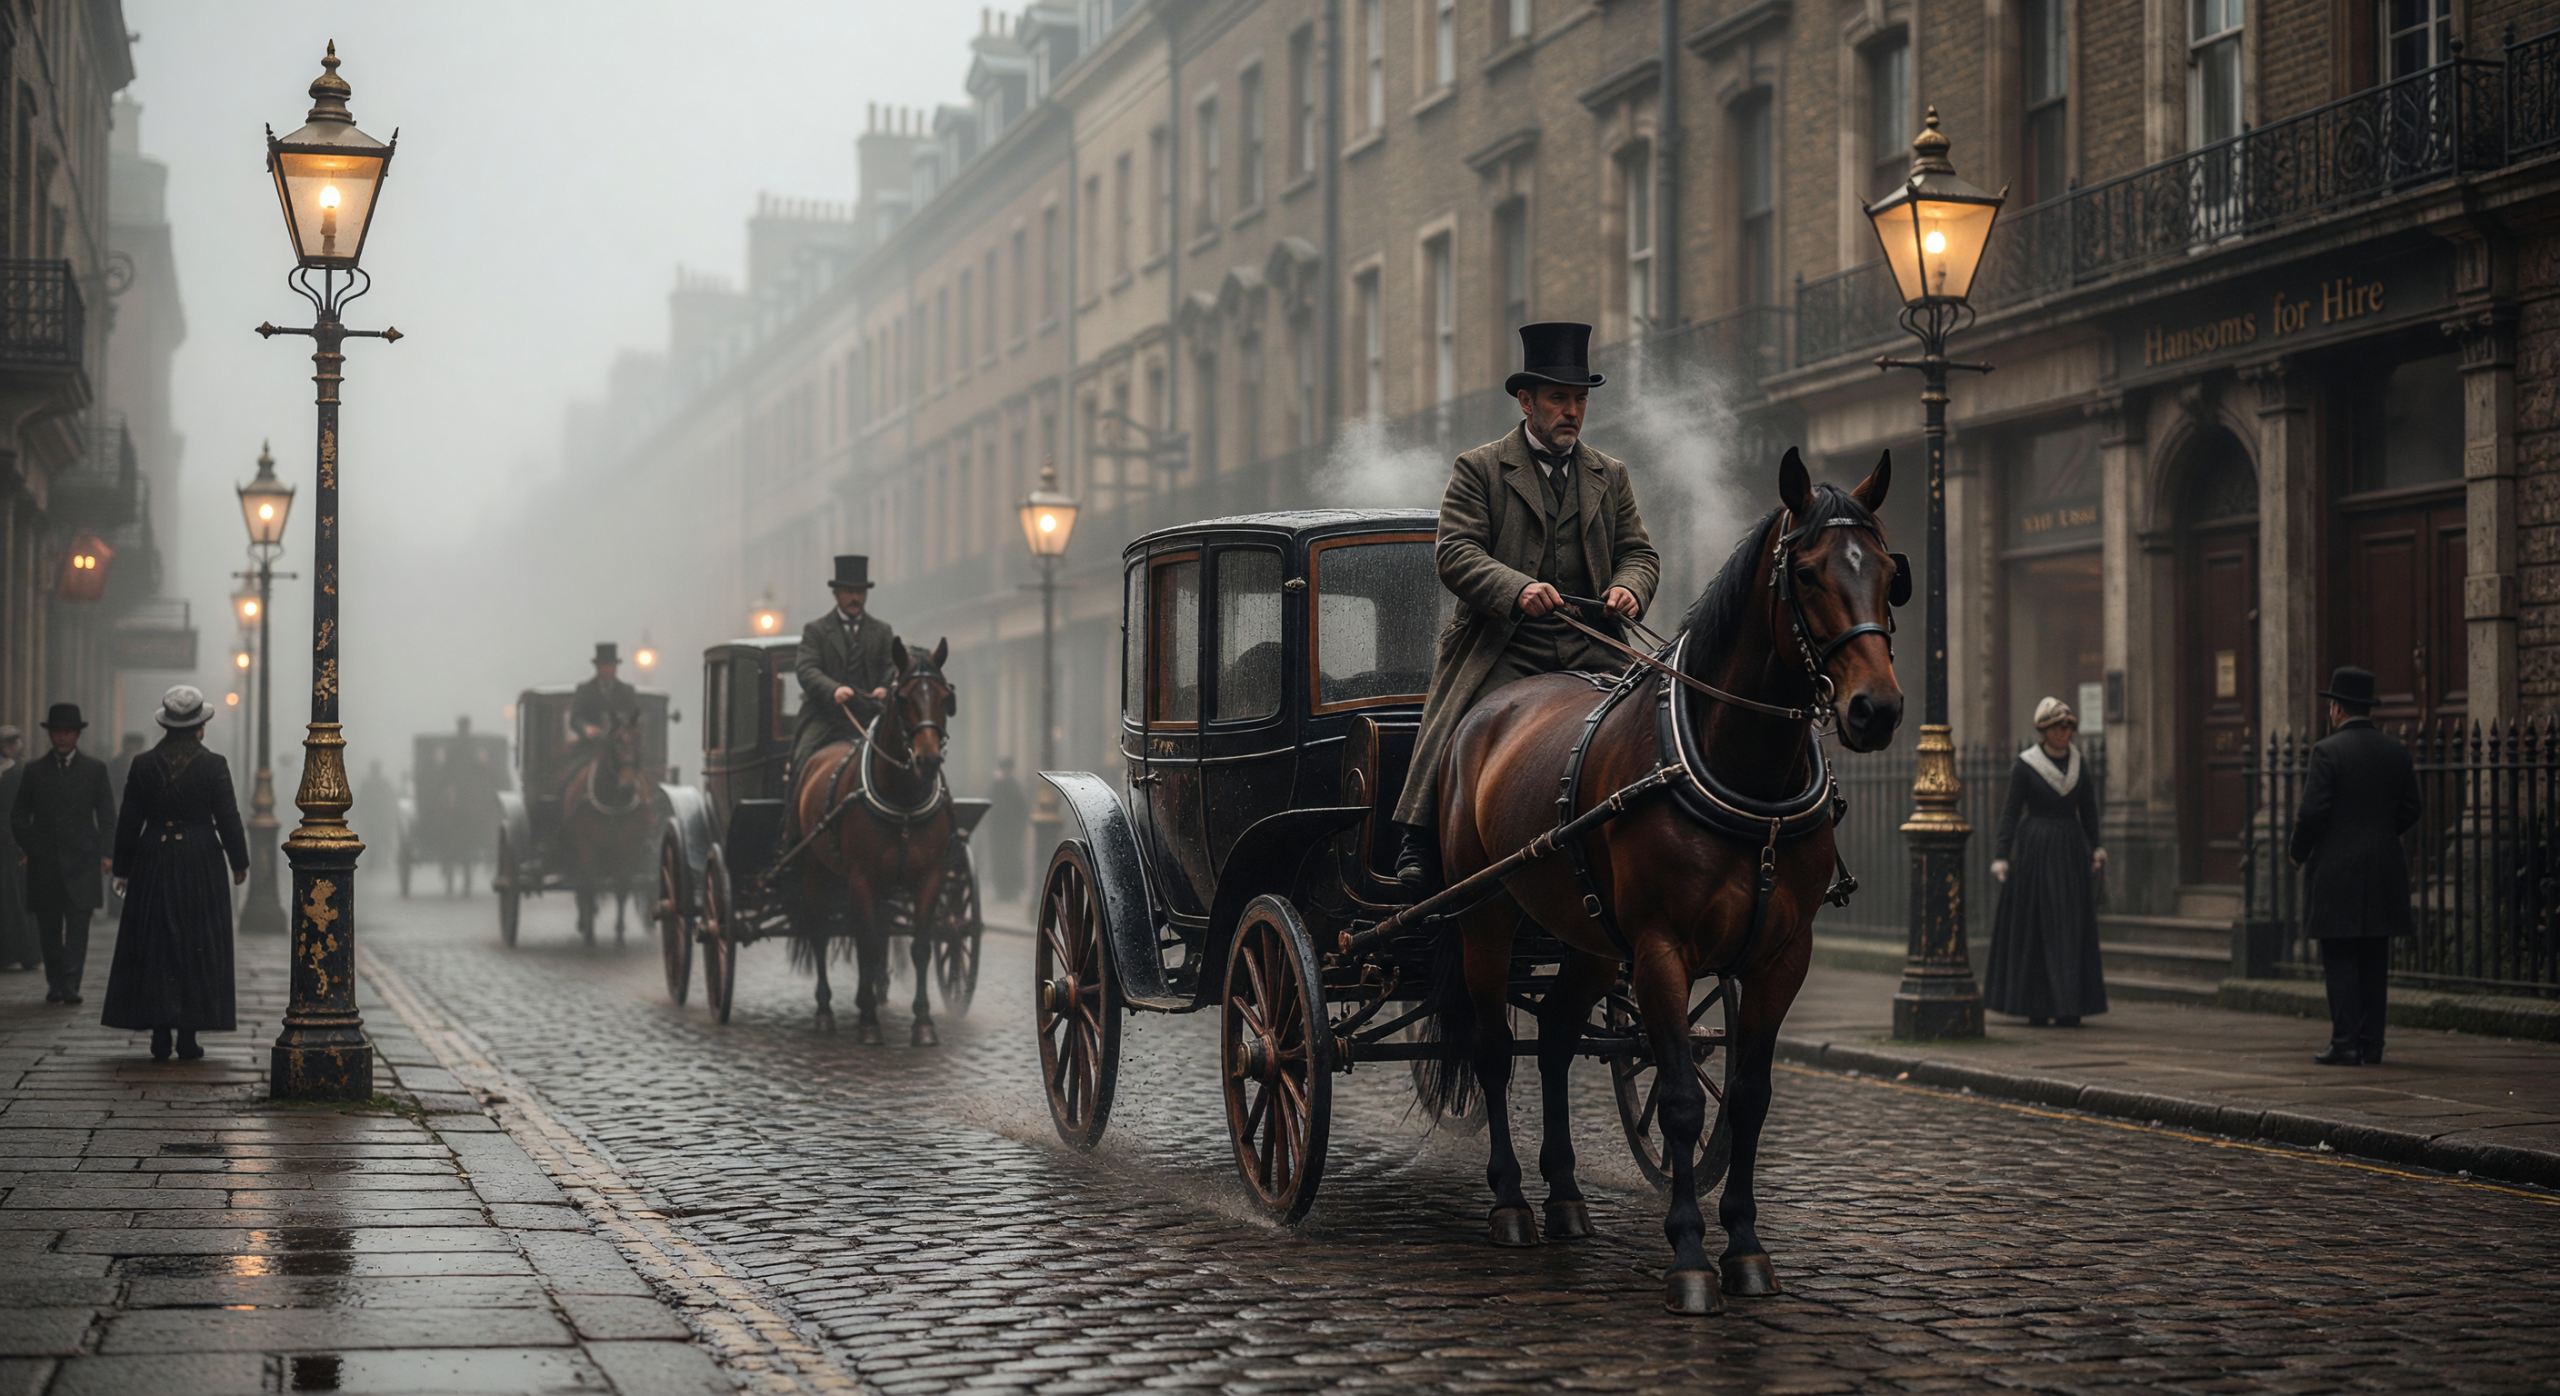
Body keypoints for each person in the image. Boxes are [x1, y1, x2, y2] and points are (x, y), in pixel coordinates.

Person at [1392, 322, 1659, 890]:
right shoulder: (1479, 468)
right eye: (1559, 399)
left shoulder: (1609, 474)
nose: (1572, 411)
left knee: (1654, 720)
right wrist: (1516, 588)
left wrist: (1630, 587)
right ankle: (1419, 837)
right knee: (1462, 726)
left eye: (1580, 399)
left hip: (1593, 643)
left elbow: (1638, 551)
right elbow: (1456, 553)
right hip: (1505, 643)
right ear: (1526, 400)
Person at [101, 688, 249, 1062]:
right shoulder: (214, 765)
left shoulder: (142, 764)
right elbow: (228, 817)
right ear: (200, 727)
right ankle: (187, 1035)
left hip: (153, 857)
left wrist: (121, 868)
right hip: (200, 858)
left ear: (165, 725)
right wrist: (239, 861)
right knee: (196, 943)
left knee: (154, 944)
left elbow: (129, 821)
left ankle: (159, 1034)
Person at [2288, 665, 2423, 1067]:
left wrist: (2298, 852)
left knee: (2341, 956)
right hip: (2383, 866)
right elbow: (2412, 808)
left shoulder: (2327, 752)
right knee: (2374, 956)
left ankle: (2345, 1042)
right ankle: (2372, 1044)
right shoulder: (2395, 751)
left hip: (2337, 868)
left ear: (2335, 708)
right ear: (2368, 708)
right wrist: (2380, 833)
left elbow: (2312, 813)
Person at [1984, 697, 2108, 1027]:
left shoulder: (2080, 763)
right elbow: (2010, 812)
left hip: (2070, 851)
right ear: (2044, 730)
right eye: (2057, 726)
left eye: (2068, 726)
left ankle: (2070, 1005)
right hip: (2036, 852)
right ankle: (2037, 1005)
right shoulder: (2026, 765)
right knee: (2037, 928)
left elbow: (2090, 811)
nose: (2064, 732)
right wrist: (2001, 855)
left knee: (2070, 927)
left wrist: (2096, 846)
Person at [10, 704, 116, 1005]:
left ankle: (71, 983)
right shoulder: (34, 770)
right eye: (58, 731)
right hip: (45, 862)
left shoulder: (95, 769)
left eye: (68, 731)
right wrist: (33, 846)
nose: (62, 737)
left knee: (79, 925)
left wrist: (107, 853)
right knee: (49, 926)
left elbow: (107, 814)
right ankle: (55, 983)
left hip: (82, 860)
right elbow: (19, 815)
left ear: (78, 734)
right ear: (50, 734)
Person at [792, 554, 904, 775]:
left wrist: (886, 687)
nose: (855, 597)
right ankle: (793, 809)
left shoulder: (882, 631)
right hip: (826, 717)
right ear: (836, 594)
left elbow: (891, 666)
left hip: (871, 715)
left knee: (908, 749)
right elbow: (807, 669)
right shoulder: (816, 630)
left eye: (860, 592)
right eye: (848, 592)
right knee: (802, 756)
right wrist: (834, 690)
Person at [0, 726, 35, 973]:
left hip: (10, 841)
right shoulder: (16, 771)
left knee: (14, 896)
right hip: (8, 839)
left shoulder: (19, 771)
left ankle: (18, 952)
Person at [984, 756, 1029, 903]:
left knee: (1004, 861)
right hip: (1007, 832)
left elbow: (992, 807)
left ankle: (1005, 891)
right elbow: (1022, 809)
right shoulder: (1010, 784)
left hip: (1003, 832)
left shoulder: (999, 785)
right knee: (1009, 861)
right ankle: (1009, 891)